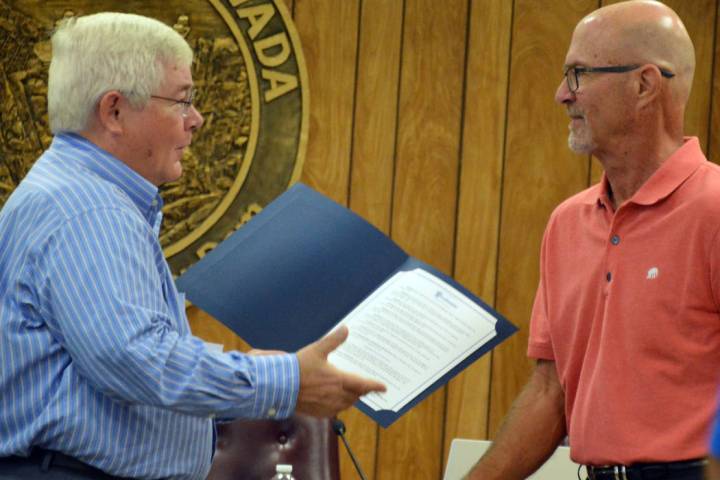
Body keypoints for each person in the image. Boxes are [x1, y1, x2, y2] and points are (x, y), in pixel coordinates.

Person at [0, 12, 385, 480]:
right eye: (182, 101)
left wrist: (237, 366)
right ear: (114, 111)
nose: (197, 120)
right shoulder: (88, 210)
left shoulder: (79, 194)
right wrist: (285, 382)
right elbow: (134, 359)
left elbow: (112, 363)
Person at [466, 1, 719, 479]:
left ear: (644, 84)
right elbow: (550, 392)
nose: (563, 94)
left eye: (579, 74)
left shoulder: (714, 210)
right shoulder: (567, 223)